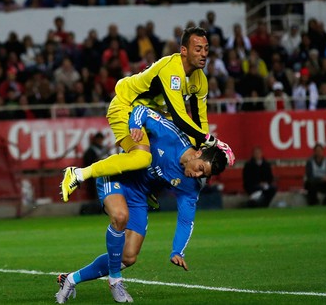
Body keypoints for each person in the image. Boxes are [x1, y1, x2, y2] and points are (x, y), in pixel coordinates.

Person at [55, 105, 231, 303]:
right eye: (200, 168)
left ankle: (70, 279)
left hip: (139, 195)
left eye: (203, 174)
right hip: (117, 176)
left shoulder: (191, 185)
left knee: (128, 257)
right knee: (120, 217)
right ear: (198, 153)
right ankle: (115, 281)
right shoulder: (172, 135)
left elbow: (185, 220)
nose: (197, 175)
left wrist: (177, 251)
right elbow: (142, 110)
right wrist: (135, 125)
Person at [60, 27, 234, 202]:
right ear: (183, 51)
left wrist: (207, 151)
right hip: (126, 105)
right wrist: (213, 141)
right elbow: (180, 117)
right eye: (198, 49)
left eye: (206, 49)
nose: (203, 54)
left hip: (154, 111)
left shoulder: (201, 80)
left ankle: (145, 184)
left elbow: (199, 120)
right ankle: (78, 174)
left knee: (185, 149)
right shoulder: (171, 70)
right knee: (142, 157)